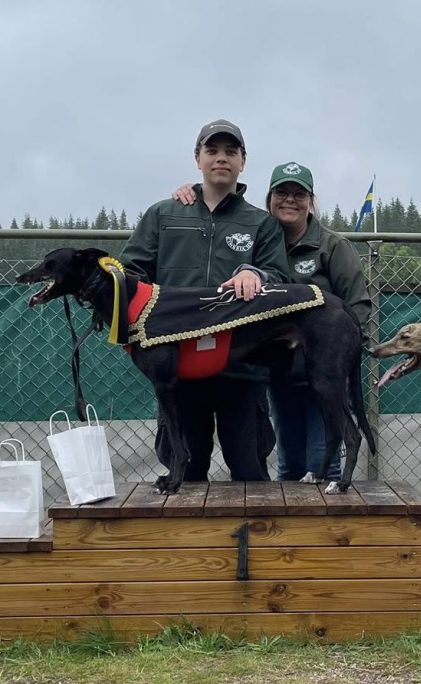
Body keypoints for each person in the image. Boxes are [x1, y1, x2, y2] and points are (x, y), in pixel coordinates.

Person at [174, 162, 371, 482]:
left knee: (324, 461)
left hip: (322, 370)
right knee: (289, 464)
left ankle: (328, 526)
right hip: (280, 372)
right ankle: (292, 531)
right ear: (269, 197)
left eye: (299, 193)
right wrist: (192, 193)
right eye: (282, 192)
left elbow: (357, 308)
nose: (289, 200)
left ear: (311, 200)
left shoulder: (333, 246)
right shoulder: (258, 240)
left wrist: (337, 361)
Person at [122, 118, 290, 482]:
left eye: (231, 152)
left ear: (243, 161)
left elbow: (280, 277)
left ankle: (255, 538)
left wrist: (255, 274)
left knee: (249, 471)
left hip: (242, 366)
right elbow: (130, 276)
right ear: (197, 158)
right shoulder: (163, 215)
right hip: (180, 366)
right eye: (212, 150)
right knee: (186, 471)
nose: (221, 159)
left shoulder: (260, 224)